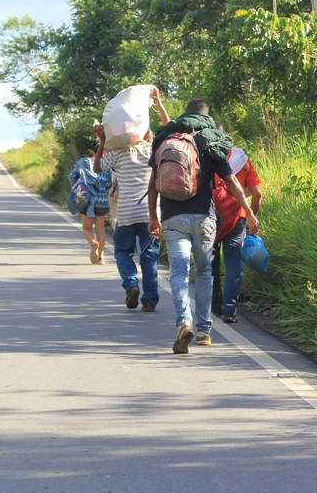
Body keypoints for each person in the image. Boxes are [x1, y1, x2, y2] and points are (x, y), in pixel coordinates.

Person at [147, 100, 260, 354]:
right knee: (204, 271)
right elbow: (231, 181)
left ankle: (184, 322)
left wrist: (153, 217)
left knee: (179, 273)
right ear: (205, 116)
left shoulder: (166, 139)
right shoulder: (210, 140)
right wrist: (250, 212)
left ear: (185, 113)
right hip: (204, 218)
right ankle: (203, 330)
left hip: (173, 218)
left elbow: (153, 184)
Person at [94, 86, 170, 311]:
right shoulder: (152, 150)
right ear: (146, 133)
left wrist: (102, 141)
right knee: (149, 256)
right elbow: (169, 129)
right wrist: (158, 102)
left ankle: (131, 284)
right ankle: (150, 301)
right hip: (150, 213)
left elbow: (97, 167)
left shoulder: (117, 154)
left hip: (126, 212)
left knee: (123, 252)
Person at [210, 123, 262, 322]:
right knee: (233, 262)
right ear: (227, 136)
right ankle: (230, 308)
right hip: (237, 217)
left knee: (211, 262)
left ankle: (215, 305)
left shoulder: (205, 158)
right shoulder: (242, 159)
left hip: (211, 216)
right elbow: (257, 193)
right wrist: (250, 216)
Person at [67, 141, 112, 264]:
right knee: (100, 229)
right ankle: (101, 257)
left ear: (92, 149)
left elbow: (71, 177)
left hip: (86, 199)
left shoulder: (83, 162)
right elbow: (109, 184)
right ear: (104, 150)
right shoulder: (106, 165)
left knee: (87, 228)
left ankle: (93, 243)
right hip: (102, 201)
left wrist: (79, 184)